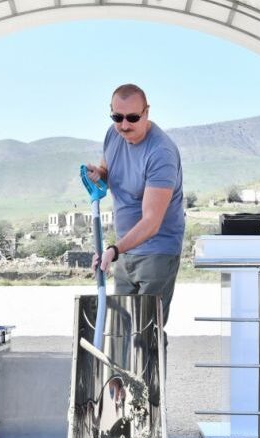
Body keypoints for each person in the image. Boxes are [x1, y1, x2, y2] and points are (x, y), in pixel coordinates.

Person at [86, 83, 185, 325]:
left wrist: (113, 250)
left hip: (157, 252)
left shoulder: (160, 153)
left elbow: (151, 222)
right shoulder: (113, 135)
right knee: (121, 330)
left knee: (146, 331)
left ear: (146, 112)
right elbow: (108, 171)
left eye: (132, 117)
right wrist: (99, 174)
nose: (124, 125)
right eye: (117, 117)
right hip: (124, 250)